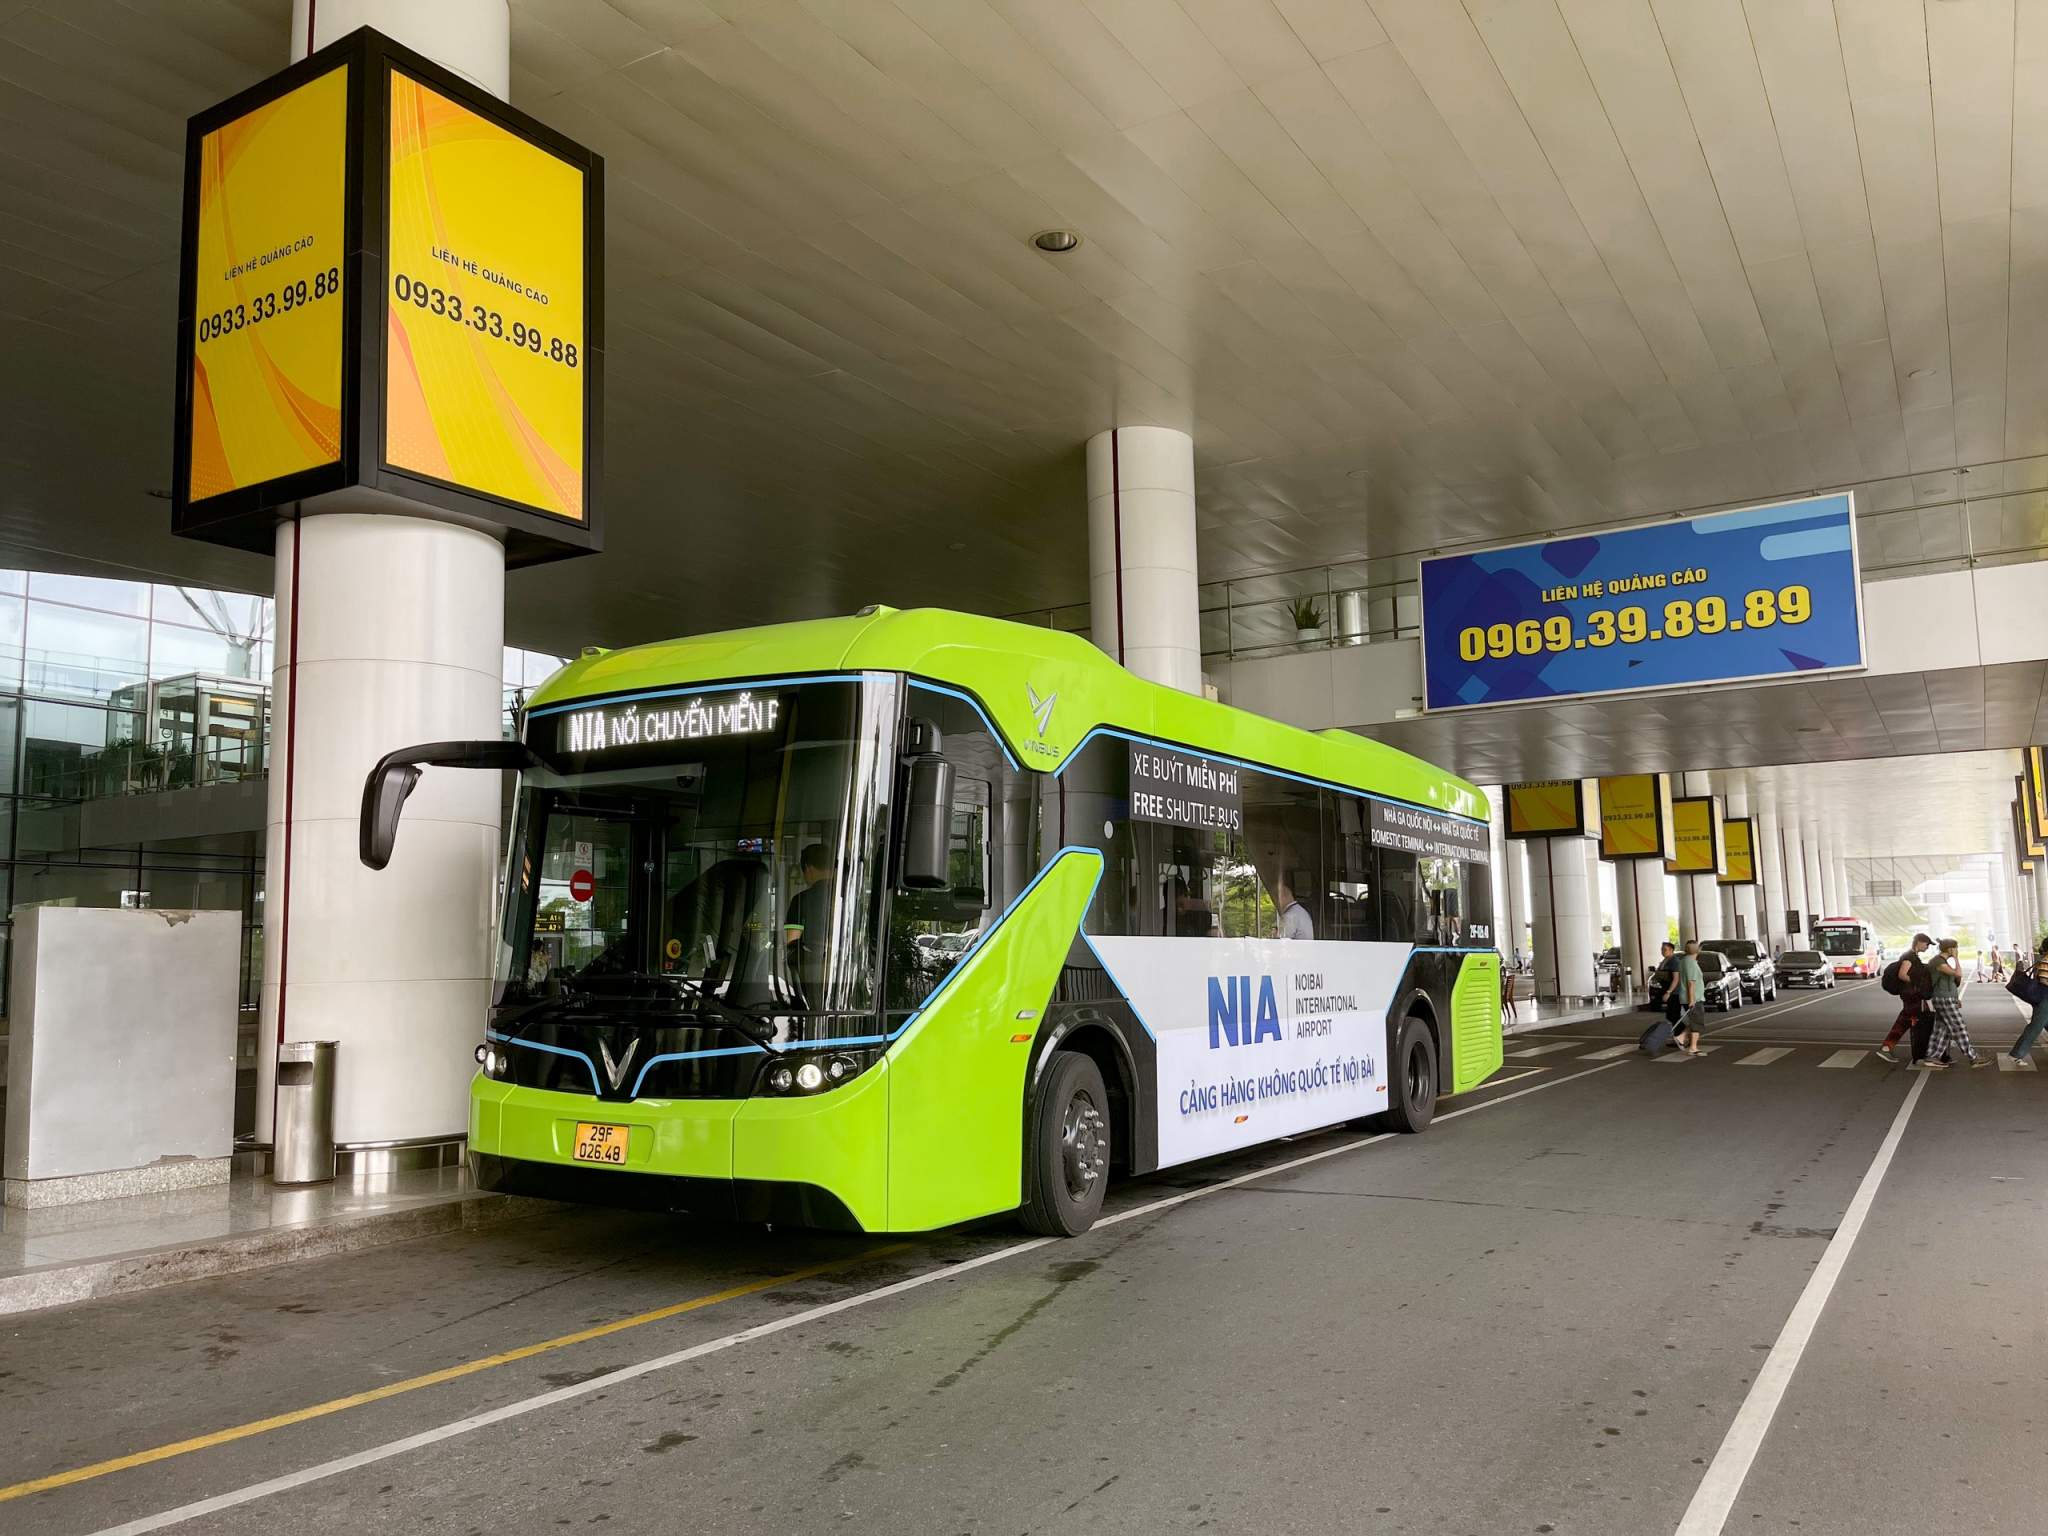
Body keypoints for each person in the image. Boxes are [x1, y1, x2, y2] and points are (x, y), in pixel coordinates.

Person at [1920, 938, 1986, 1069]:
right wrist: (1956, 959)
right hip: (1943, 999)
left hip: (1946, 998)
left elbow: (1951, 982)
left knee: (1941, 1030)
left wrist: (1955, 998)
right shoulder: (1938, 962)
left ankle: (1932, 1057)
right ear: (1950, 949)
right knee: (1959, 1027)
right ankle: (1973, 1057)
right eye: (1956, 948)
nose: (1957, 950)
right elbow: (1958, 973)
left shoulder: (1942, 961)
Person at [783, 842, 835, 1003]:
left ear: (808, 868)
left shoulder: (801, 900)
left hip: (814, 978)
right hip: (846, 977)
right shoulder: (851, 899)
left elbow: (792, 943)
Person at [1874, 933, 1934, 1065]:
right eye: (1926, 944)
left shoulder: (1912, 957)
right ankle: (1919, 1053)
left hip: (1912, 995)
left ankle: (1887, 1047)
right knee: (1912, 1021)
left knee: (1907, 1020)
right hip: (1910, 995)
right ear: (1918, 942)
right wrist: (1917, 984)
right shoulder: (1909, 957)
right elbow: (1902, 975)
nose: (1928, 947)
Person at [2007, 938, 2048, 1067]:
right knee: (2035, 1027)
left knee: (2042, 1024)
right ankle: (2016, 1054)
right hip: (2044, 998)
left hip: (2043, 997)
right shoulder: (2046, 960)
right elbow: (2044, 980)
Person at [1673, 939, 1706, 1057]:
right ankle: (1693, 1047)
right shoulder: (1691, 963)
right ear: (1698, 950)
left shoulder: (1684, 961)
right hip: (1693, 998)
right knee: (1697, 1023)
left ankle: (1681, 1038)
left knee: (1693, 1021)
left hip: (1688, 997)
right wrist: (1692, 999)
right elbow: (1691, 982)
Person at [1274, 875, 1314, 940]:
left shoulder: (1289, 915)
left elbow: (1282, 941)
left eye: (1277, 898)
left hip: (1297, 949)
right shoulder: (1300, 911)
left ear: (1282, 897)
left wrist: (1275, 936)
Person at [1646, 941, 1679, 1010]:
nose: (1662, 951)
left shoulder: (1674, 961)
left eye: (1665, 949)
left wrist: (1668, 992)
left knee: (1673, 1014)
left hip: (1673, 992)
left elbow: (1676, 978)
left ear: (1671, 950)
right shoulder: (1665, 960)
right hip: (1662, 987)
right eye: (1662, 949)